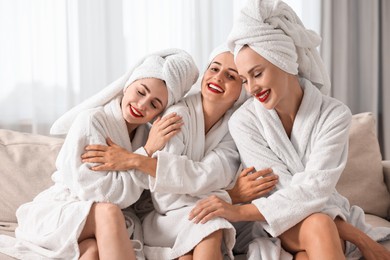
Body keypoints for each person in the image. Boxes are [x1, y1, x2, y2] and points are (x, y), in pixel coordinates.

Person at [188, 1, 390, 259]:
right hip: (276, 222)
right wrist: (358, 236)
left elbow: (315, 189)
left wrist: (239, 211)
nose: (251, 89)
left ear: (282, 61)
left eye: (257, 73)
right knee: (318, 223)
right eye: (244, 80)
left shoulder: (333, 115)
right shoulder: (244, 121)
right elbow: (279, 189)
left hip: (320, 218)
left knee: (314, 238)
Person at [80, 44, 278, 259]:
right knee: (211, 223)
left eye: (231, 76)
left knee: (203, 233)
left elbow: (214, 174)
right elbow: (166, 198)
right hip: (163, 219)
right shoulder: (176, 117)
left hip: (195, 215)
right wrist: (229, 194)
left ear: (242, 90)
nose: (218, 78)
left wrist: (213, 191)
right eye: (214, 69)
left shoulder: (235, 126)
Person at [0, 49, 199, 260]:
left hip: (97, 226)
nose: (142, 105)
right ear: (129, 83)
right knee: (109, 211)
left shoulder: (148, 136)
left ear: (160, 113)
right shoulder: (92, 121)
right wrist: (145, 154)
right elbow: (97, 193)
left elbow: (145, 200)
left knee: (92, 252)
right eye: (141, 92)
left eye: (154, 104)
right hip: (59, 214)